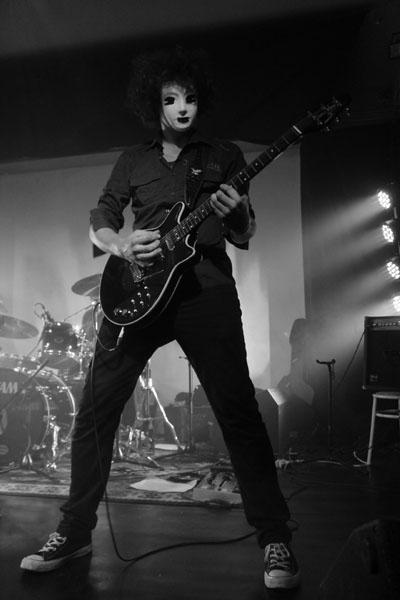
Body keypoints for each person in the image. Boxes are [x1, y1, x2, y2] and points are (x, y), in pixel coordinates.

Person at [20, 46, 300, 590]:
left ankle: (275, 539)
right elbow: (102, 216)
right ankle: (74, 532)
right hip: (138, 294)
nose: (182, 107)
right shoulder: (134, 160)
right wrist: (120, 243)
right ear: (155, 104)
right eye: (171, 99)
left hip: (205, 292)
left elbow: (244, 232)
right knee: (95, 412)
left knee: (239, 413)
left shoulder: (224, 155)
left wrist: (239, 213)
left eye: (190, 98)